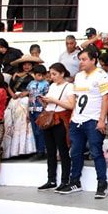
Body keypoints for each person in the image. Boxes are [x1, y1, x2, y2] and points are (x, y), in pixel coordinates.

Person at [68, 48, 108, 199]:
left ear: (93, 60)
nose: (81, 62)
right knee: (75, 152)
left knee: (96, 152)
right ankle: (75, 181)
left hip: (93, 120)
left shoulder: (101, 75)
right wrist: (73, 115)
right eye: (80, 59)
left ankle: (102, 183)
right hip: (77, 120)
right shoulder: (79, 76)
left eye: (84, 59)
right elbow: (76, 97)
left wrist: (101, 120)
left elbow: (106, 98)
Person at [36, 63, 74, 192]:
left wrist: (54, 101)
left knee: (63, 151)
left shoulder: (69, 86)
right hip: (50, 117)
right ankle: (51, 179)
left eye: (54, 74)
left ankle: (65, 180)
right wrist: (45, 101)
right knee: (50, 151)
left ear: (62, 73)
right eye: (51, 74)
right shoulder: (52, 86)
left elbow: (71, 105)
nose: (52, 77)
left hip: (60, 119)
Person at [2, 55, 39, 160]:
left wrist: (26, 92)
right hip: (14, 100)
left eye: (29, 64)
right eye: (25, 64)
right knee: (10, 122)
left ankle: (25, 150)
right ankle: (11, 151)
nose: (27, 66)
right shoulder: (16, 75)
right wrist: (12, 94)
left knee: (25, 124)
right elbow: (8, 86)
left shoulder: (34, 76)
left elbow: (37, 88)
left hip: (27, 100)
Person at [26, 64, 50, 158]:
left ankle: (42, 150)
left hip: (41, 109)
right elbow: (29, 97)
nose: (40, 77)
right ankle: (37, 150)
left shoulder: (46, 84)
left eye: (42, 75)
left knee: (40, 131)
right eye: (38, 75)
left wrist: (45, 109)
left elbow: (46, 98)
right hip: (32, 109)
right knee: (34, 130)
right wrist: (27, 111)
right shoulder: (31, 83)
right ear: (34, 74)